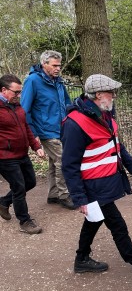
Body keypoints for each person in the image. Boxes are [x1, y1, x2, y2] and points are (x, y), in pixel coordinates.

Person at [61, 74, 132, 285]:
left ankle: (81, 259)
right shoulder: (75, 124)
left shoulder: (105, 114)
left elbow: (116, 145)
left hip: (104, 182)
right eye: (111, 92)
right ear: (99, 95)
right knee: (117, 225)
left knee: (94, 220)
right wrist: (80, 198)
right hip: (92, 186)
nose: (114, 96)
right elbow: (69, 165)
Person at [21, 50, 74, 210]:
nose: (58, 68)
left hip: (61, 128)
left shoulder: (58, 81)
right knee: (63, 160)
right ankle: (65, 195)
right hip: (45, 130)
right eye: (55, 65)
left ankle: (53, 195)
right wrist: (33, 133)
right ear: (44, 64)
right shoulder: (33, 81)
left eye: (59, 65)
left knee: (54, 162)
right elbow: (25, 109)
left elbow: (66, 102)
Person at [0, 74, 45, 234]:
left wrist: (36, 146)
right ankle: (25, 221)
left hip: (22, 154)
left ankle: (4, 201)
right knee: (19, 187)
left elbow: (26, 127)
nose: (19, 95)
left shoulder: (17, 106)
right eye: (16, 92)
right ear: (4, 90)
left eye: (20, 92)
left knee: (30, 182)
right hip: (5, 158)